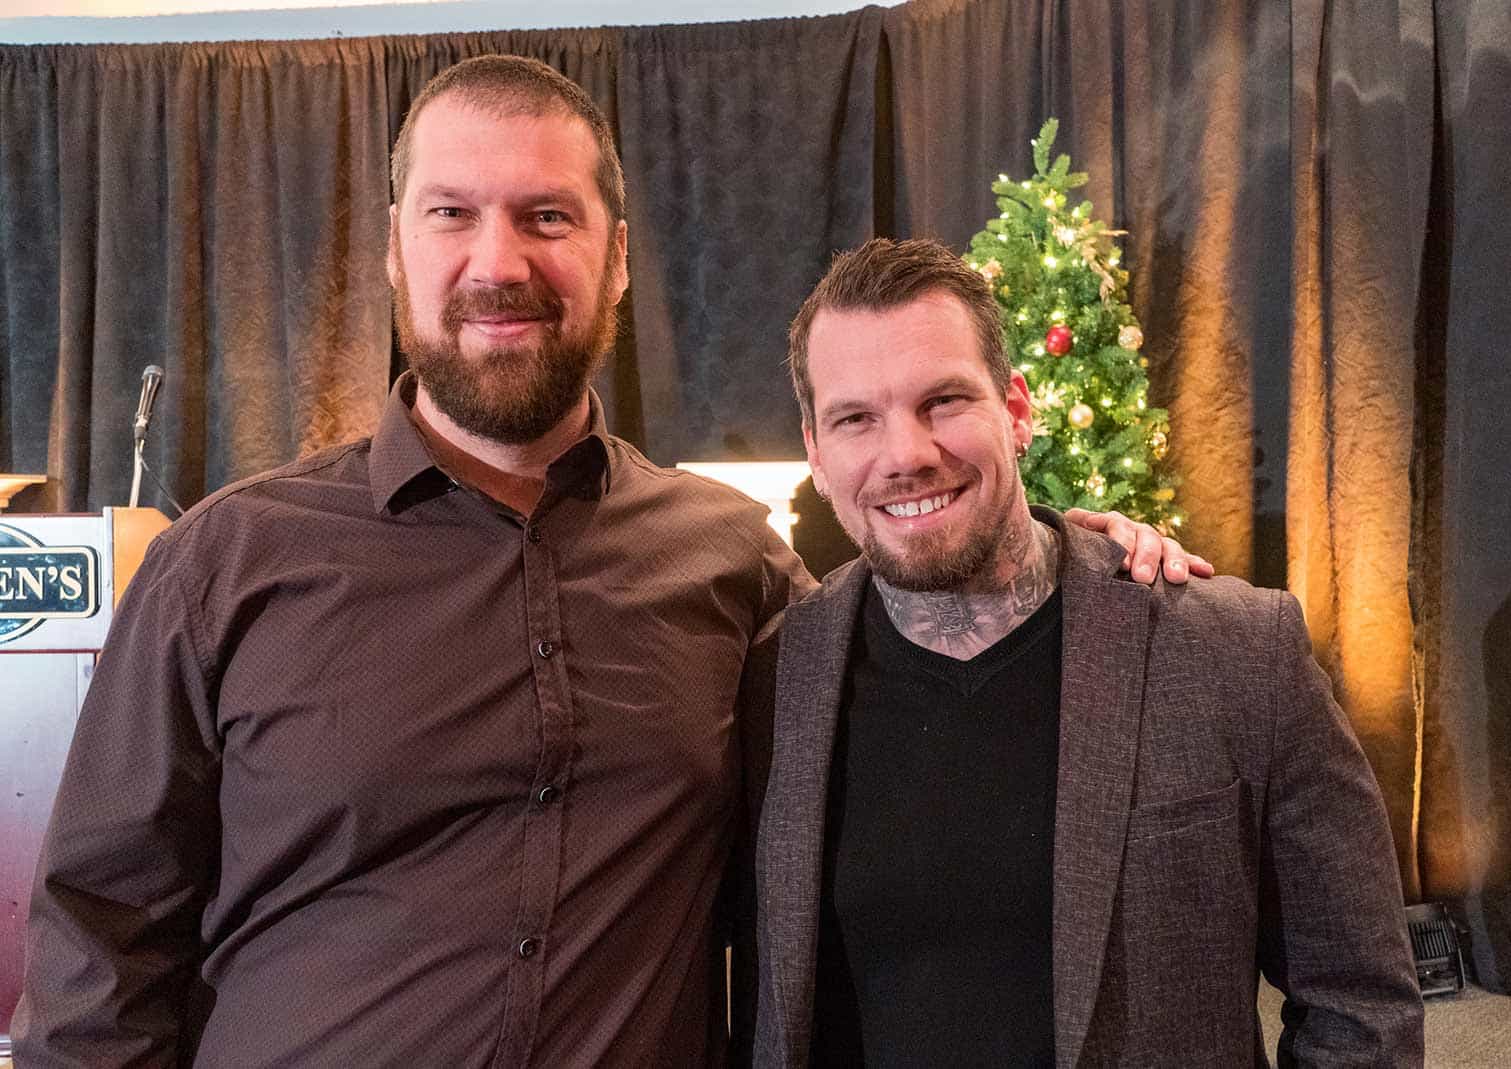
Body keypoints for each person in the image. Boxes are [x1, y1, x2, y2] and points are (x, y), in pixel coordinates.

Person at [12, 58, 1201, 1067]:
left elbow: (920, 645)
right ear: (391, 249)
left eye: (546, 216)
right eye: (451, 214)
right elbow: (101, 941)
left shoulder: (734, 563)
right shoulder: (227, 560)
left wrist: (1059, 546)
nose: (500, 261)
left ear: (617, 256)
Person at [749, 239, 1424, 1067]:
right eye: (857, 418)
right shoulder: (778, 674)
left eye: (945, 400)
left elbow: (1362, 1008)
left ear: (1018, 408)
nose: (907, 453)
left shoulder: (1235, 651)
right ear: (816, 451)